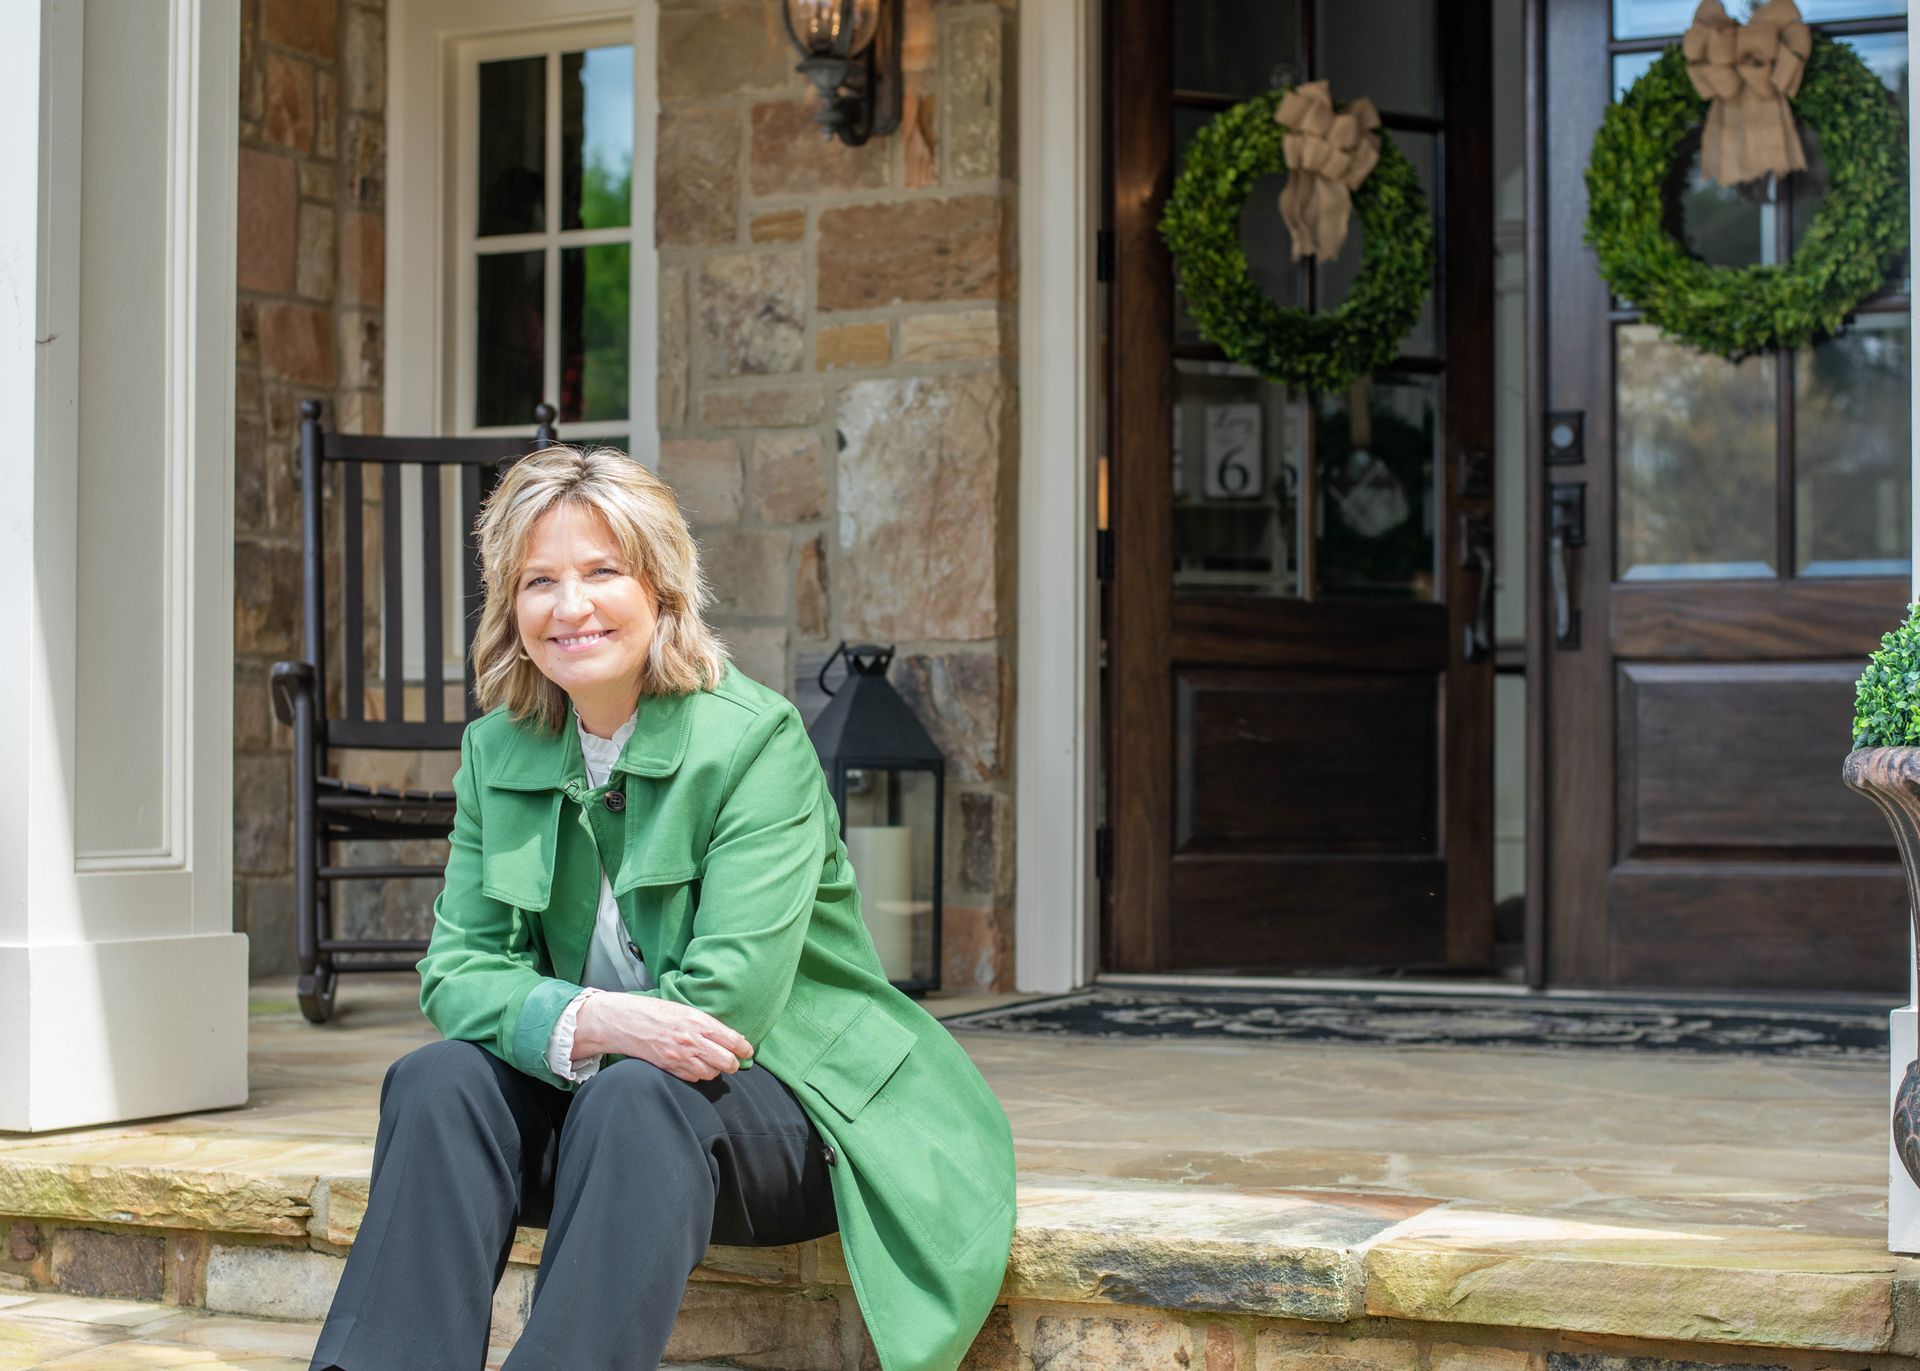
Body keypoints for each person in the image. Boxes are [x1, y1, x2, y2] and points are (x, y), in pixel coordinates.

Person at [309, 445, 1017, 1371]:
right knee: (436, 1083)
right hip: (608, 1109)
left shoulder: (754, 742)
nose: (571, 606)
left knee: (639, 1098)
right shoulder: (497, 751)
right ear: (509, 608)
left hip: (794, 1113)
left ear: (662, 589)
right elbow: (456, 970)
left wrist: (593, 1035)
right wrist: (590, 1017)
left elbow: (724, 1011)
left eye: (602, 571)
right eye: (539, 581)